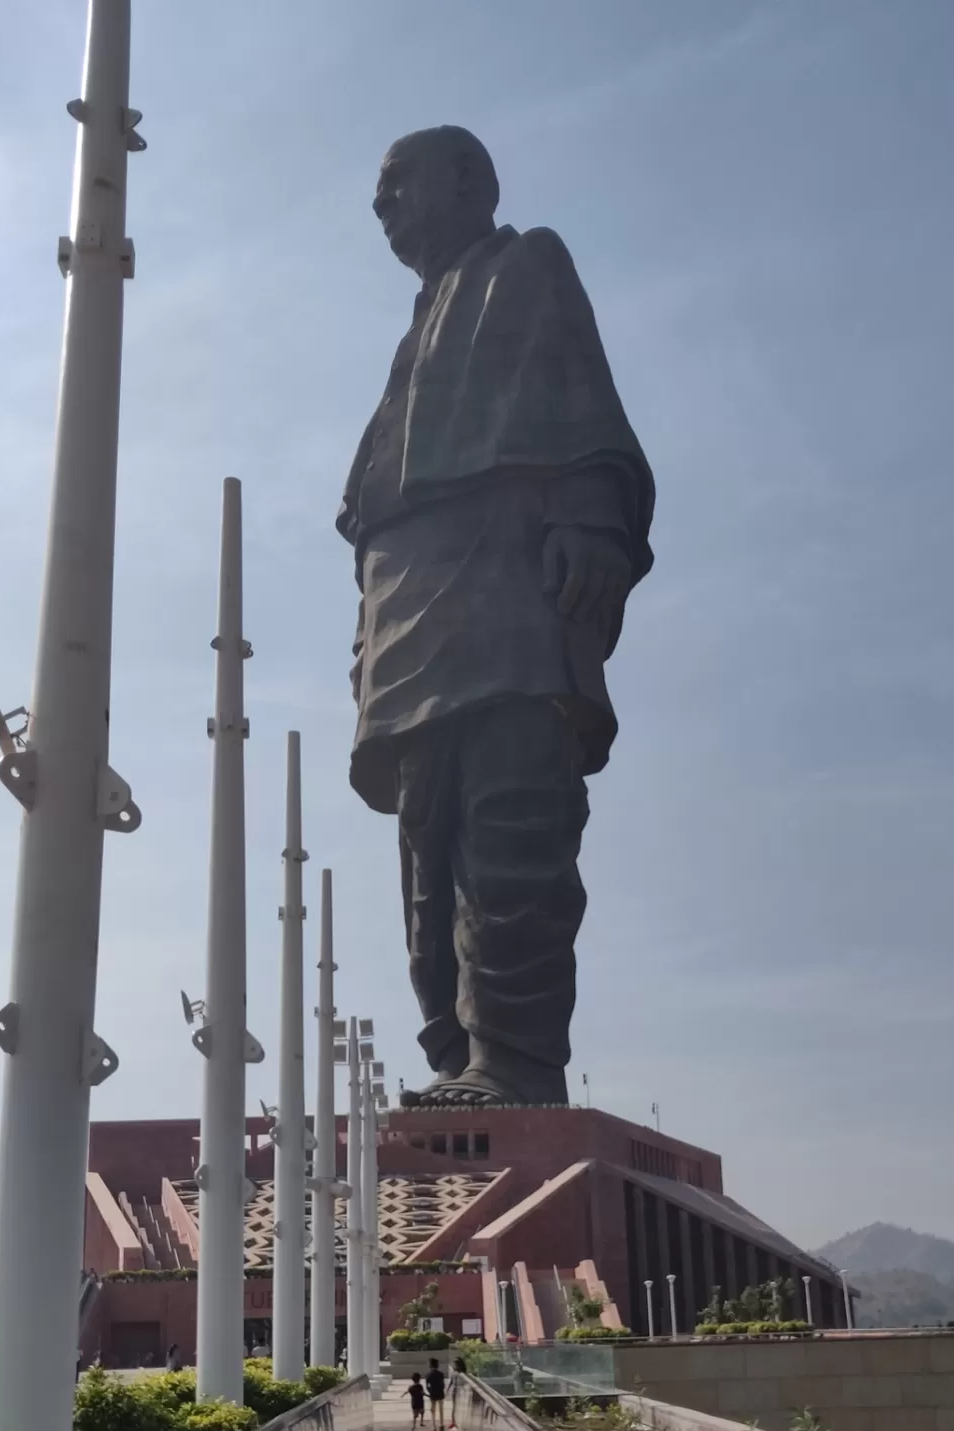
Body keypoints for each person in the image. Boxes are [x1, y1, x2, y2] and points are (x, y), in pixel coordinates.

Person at [337, 126, 654, 1109]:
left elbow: (583, 412)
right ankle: (457, 1050)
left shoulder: (526, 265)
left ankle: (514, 1059)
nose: (383, 207)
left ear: (470, 181)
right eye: (376, 195)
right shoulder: (415, 331)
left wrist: (590, 519)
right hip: (413, 610)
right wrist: (366, 635)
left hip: (508, 588)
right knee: (427, 844)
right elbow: (375, 501)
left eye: (399, 184)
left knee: (512, 817)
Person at [425, 1357, 447, 1431]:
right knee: (441, 1409)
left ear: (430, 1365)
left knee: (433, 1411)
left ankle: (434, 1428)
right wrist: (441, 1389)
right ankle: (441, 1424)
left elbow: (427, 1386)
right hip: (440, 1393)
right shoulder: (441, 1374)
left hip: (433, 1394)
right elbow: (443, 1384)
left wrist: (430, 1392)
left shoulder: (428, 1375)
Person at [448, 1356, 466, 1429]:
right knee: (454, 1407)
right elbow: (451, 1382)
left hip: (460, 1392)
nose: (455, 1366)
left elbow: (464, 1383)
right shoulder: (453, 1373)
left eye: (456, 1364)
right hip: (454, 1392)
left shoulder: (463, 1374)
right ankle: (453, 1422)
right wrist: (447, 1390)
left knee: (459, 1408)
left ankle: (458, 1422)